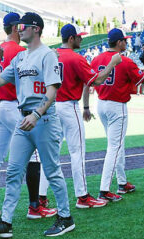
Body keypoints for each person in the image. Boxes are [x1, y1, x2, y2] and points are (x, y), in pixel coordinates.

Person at [0, 12, 76, 238]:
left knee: (52, 170)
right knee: (14, 171)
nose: (19, 29)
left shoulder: (47, 55)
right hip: (23, 119)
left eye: (23, 26)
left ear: (36, 29)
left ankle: (66, 218)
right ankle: (6, 221)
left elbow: (52, 90)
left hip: (43, 120)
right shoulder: (20, 57)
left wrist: (36, 114)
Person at [0, 12, 53, 222]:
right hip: (13, 106)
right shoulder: (21, 51)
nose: (21, 29)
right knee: (33, 157)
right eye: (19, 26)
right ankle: (35, 206)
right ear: (13, 28)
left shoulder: (0, 49)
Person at [38, 24, 120, 208]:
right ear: (71, 38)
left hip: (50, 107)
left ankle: (40, 198)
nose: (81, 39)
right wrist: (112, 64)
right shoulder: (75, 58)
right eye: (78, 37)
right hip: (68, 106)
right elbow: (97, 80)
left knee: (50, 155)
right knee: (77, 152)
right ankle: (82, 196)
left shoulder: (50, 55)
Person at [91, 28, 144, 202]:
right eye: (124, 40)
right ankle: (104, 190)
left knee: (117, 145)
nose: (126, 43)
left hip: (101, 104)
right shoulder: (126, 61)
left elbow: (90, 80)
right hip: (116, 106)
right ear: (119, 42)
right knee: (115, 147)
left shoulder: (97, 59)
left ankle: (121, 183)